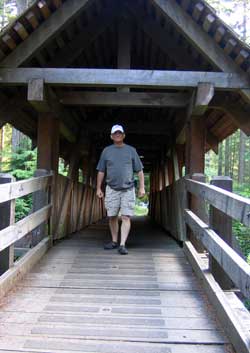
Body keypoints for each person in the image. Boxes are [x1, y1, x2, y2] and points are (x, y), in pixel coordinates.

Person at [96, 124, 145, 255]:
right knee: (112, 216)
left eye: (120, 133)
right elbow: (101, 170)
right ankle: (113, 241)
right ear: (111, 136)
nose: (117, 135)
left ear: (123, 135)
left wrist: (142, 187)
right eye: (115, 133)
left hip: (128, 189)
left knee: (125, 217)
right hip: (111, 188)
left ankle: (122, 244)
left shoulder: (131, 150)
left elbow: (139, 170)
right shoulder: (106, 151)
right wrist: (98, 188)